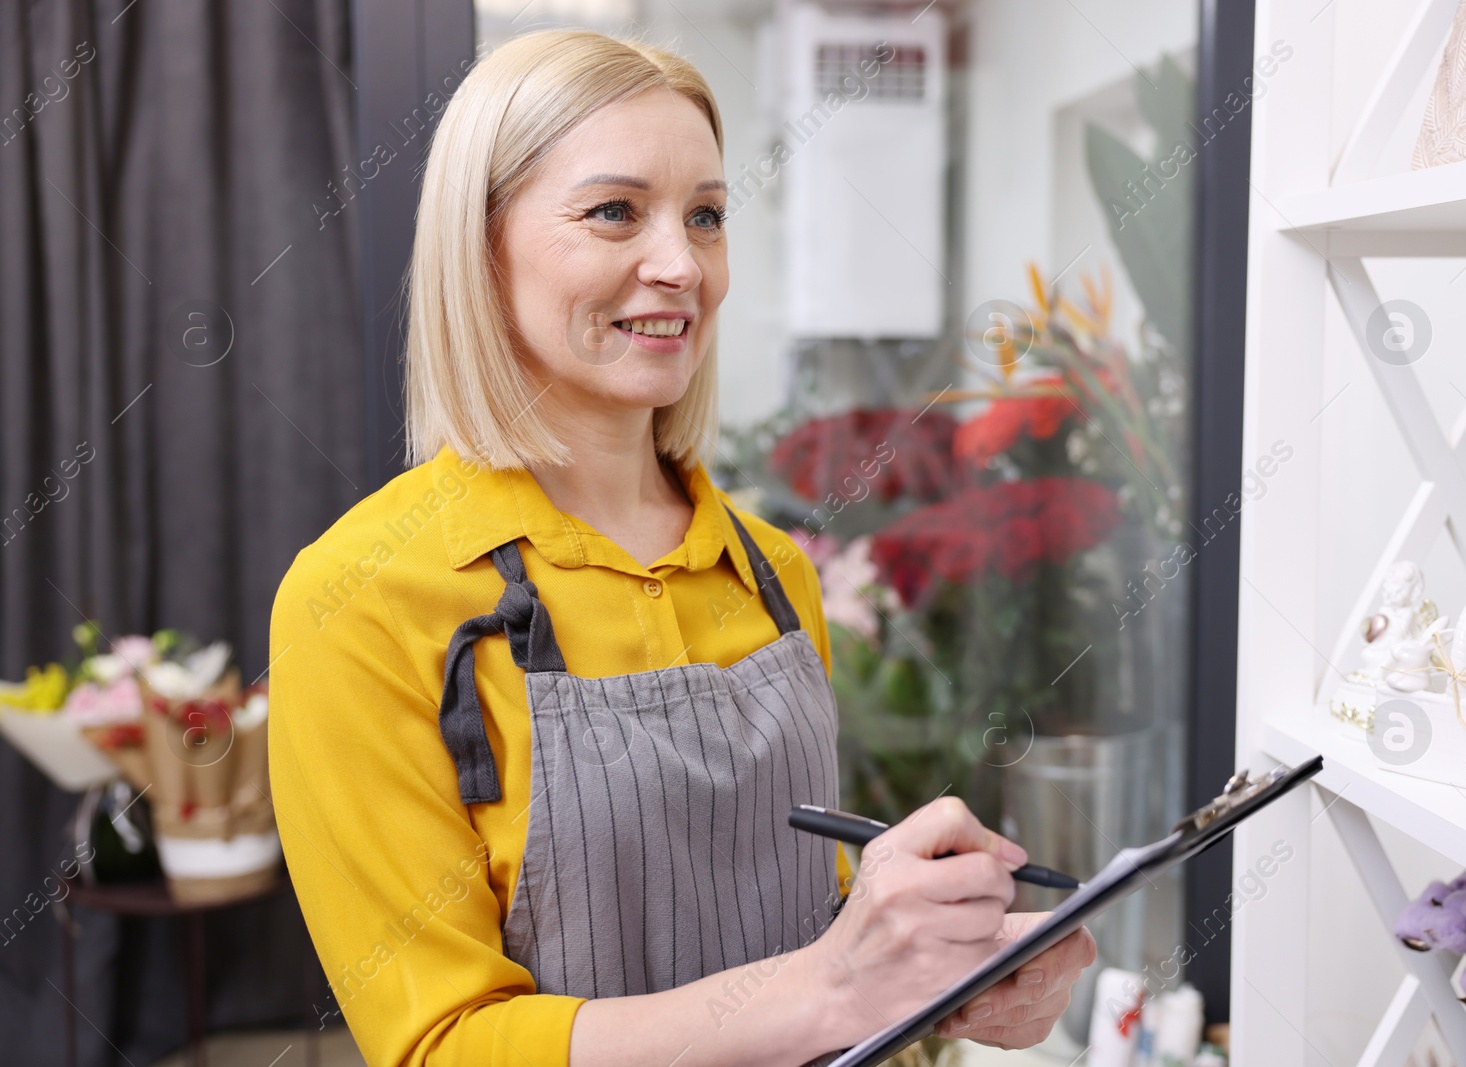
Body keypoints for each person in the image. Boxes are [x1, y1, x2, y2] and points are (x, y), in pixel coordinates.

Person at [267, 28, 1094, 1067]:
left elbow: (798, 923)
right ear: (480, 246)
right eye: (615, 210)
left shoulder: (769, 571)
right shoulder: (362, 597)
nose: (681, 264)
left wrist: (936, 969)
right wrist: (833, 985)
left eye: (705, 215)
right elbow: (444, 1043)